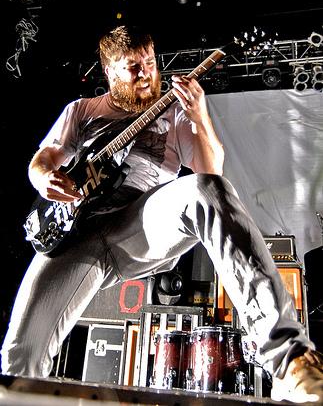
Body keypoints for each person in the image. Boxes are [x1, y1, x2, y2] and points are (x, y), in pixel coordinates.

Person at [1, 24, 323, 403]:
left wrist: (199, 116)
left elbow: (211, 173)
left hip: (139, 221)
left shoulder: (175, 115)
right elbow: (43, 159)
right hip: (75, 235)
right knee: (18, 358)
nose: (145, 73)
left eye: (150, 63)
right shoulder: (82, 111)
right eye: (132, 66)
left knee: (205, 189)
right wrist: (44, 180)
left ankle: (290, 361)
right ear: (109, 72)